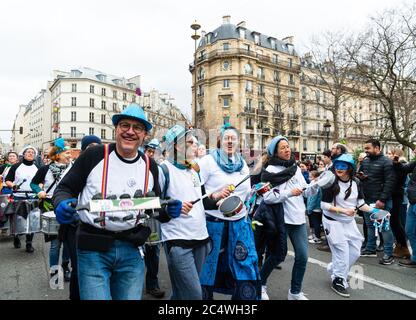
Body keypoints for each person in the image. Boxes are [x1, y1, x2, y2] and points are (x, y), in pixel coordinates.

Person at [53, 104, 181, 300]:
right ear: (116, 129)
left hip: (131, 248)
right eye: (124, 125)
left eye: (137, 127)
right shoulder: (94, 155)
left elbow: (152, 207)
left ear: (144, 134)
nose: (130, 131)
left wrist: (168, 210)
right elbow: (64, 188)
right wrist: (61, 203)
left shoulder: (150, 166)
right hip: (92, 248)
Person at [159, 125, 226, 300]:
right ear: (178, 146)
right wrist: (171, 207)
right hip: (178, 242)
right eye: (191, 142)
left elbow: (203, 202)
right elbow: (153, 206)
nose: (196, 146)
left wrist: (218, 199)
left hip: (201, 240)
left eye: (196, 143)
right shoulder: (163, 170)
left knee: (182, 294)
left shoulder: (194, 169)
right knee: (194, 295)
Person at [199, 123, 261, 300]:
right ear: (220, 140)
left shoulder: (242, 163)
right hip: (213, 224)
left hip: (239, 223)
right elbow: (196, 190)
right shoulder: (208, 161)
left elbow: (246, 192)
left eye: (234, 138)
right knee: (208, 265)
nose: (230, 141)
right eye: (226, 137)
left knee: (246, 263)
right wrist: (215, 195)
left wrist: (250, 199)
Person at [260, 135, 319, 300]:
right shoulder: (270, 171)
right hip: (280, 220)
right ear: (275, 152)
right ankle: (260, 284)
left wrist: (313, 188)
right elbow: (268, 197)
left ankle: (294, 292)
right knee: (277, 256)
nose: (287, 150)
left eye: (288, 146)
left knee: (302, 256)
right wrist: (288, 193)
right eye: (282, 148)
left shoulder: (295, 167)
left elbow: (304, 189)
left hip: (298, 218)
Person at [321, 154, 376, 297]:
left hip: (348, 222)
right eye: (337, 165)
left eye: (343, 166)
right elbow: (324, 205)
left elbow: (361, 204)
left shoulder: (356, 182)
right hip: (332, 222)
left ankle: (334, 268)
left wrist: (377, 211)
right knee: (342, 251)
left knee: (355, 251)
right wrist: (343, 210)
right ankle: (338, 279)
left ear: (350, 168)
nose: (339, 168)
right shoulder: (330, 182)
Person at [64, 134, 102, 300]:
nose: (93, 150)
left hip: (98, 229)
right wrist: (64, 203)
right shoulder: (74, 167)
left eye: (97, 146)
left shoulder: (105, 168)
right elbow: (64, 190)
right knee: (79, 269)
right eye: (90, 146)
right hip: (76, 226)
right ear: (83, 151)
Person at [30, 138, 72, 282]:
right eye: (67, 152)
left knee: (68, 241)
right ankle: (55, 272)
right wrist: (38, 191)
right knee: (56, 243)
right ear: (58, 154)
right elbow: (33, 183)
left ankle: (66, 267)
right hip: (51, 207)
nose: (70, 155)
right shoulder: (45, 169)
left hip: (69, 207)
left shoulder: (73, 168)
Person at [358, 139, 395, 265]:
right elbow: (362, 176)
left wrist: (382, 199)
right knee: (369, 225)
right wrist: (361, 177)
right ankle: (370, 249)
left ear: (377, 148)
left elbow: (390, 183)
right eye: (365, 148)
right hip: (367, 199)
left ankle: (388, 254)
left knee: (384, 227)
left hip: (380, 201)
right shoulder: (366, 161)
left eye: (368, 148)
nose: (365, 151)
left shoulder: (387, 162)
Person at [142, 138, 165, 299]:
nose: (151, 155)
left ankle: (152, 284)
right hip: (135, 216)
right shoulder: (136, 166)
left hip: (153, 216)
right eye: (149, 151)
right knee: (136, 253)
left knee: (153, 251)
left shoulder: (160, 170)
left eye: (154, 152)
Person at [5, 146, 39, 253]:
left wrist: (40, 188)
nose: (30, 154)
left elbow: (41, 181)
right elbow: (8, 180)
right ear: (23, 154)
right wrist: (13, 186)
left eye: (32, 152)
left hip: (33, 196)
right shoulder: (16, 166)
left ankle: (29, 243)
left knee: (32, 220)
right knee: (19, 220)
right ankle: (16, 236)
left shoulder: (37, 167)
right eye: (28, 152)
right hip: (18, 196)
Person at [387, 148, 411, 259]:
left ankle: (403, 247)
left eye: (389, 153)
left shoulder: (401, 165)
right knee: (394, 222)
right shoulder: (395, 165)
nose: (388, 155)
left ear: (397, 155)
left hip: (398, 196)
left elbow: (399, 179)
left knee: (396, 222)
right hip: (395, 195)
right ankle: (400, 246)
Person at [392, 156, 416, 268]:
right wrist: (397, 163)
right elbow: (403, 169)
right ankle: (414, 259)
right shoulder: (414, 163)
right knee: (409, 230)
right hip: (413, 202)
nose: (414, 150)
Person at [307, 170, 323, 244]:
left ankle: (317, 238)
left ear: (316, 177)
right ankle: (315, 235)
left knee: (315, 223)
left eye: (311, 177)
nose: (309, 178)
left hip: (315, 207)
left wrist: (309, 208)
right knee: (315, 222)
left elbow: (313, 198)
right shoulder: (315, 183)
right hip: (316, 207)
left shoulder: (315, 185)